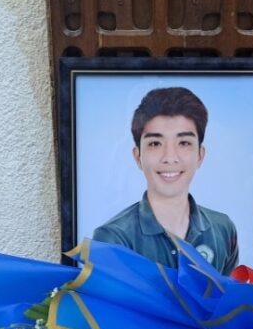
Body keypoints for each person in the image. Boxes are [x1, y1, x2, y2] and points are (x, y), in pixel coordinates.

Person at [93, 87, 239, 275]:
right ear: (138, 157)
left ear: (200, 155)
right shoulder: (113, 239)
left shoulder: (223, 229)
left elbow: (230, 293)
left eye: (184, 143)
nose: (170, 158)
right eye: (155, 143)